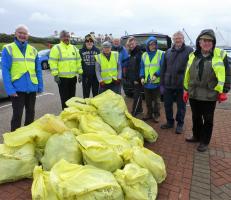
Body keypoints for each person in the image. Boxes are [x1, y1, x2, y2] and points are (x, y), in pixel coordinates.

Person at [184, 29, 229, 152]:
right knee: (196, 117)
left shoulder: (221, 55)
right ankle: (196, 136)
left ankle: (204, 141)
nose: (207, 43)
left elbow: (228, 74)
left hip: (210, 94)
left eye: (210, 41)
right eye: (204, 40)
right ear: (199, 42)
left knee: (208, 119)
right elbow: (187, 73)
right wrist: (185, 89)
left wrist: (224, 90)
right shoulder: (192, 55)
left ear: (213, 43)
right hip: (194, 93)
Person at [1, 25, 43, 131]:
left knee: (30, 114)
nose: (22, 35)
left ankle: (27, 137)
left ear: (28, 36)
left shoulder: (33, 50)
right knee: (17, 116)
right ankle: (14, 139)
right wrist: (10, 90)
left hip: (32, 88)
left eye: (25, 33)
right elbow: (5, 71)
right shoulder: (8, 48)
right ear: (15, 34)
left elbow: (38, 70)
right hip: (17, 89)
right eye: (20, 32)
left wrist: (40, 86)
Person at [160, 31, 193, 134]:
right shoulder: (168, 51)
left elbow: (191, 68)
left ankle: (180, 124)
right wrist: (162, 84)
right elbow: (163, 68)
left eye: (180, 38)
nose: (178, 40)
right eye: (176, 38)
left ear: (183, 39)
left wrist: (189, 85)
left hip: (181, 85)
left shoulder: (189, 50)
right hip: (168, 84)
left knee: (181, 106)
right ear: (173, 40)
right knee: (167, 105)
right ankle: (170, 122)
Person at [49, 30, 82, 109]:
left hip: (73, 78)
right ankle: (65, 115)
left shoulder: (74, 48)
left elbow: (78, 61)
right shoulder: (56, 48)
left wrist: (80, 73)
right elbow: (52, 62)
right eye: (64, 36)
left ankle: (71, 113)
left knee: (72, 99)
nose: (66, 38)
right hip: (62, 79)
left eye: (67, 36)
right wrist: (55, 75)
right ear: (60, 38)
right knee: (64, 99)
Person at [140, 36, 164, 123]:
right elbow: (142, 67)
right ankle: (149, 114)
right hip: (146, 83)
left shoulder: (161, 53)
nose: (153, 46)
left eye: (154, 44)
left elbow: (163, 66)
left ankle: (156, 115)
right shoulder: (144, 55)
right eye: (151, 44)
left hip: (156, 83)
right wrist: (142, 77)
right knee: (148, 101)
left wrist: (156, 74)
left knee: (157, 101)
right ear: (148, 46)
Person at [126, 36, 144, 116]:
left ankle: (134, 112)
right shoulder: (131, 53)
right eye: (130, 44)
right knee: (137, 94)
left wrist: (138, 79)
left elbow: (140, 67)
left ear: (135, 43)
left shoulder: (139, 53)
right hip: (132, 79)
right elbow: (130, 67)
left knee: (137, 95)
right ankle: (140, 110)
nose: (131, 45)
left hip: (137, 79)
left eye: (132, 44)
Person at [79, 34, 100, 98]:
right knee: (86, 93)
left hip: (95, 76)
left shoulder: (97, 50)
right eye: (87, 41)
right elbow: (79, 64)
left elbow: (100, 63)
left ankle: (95, 106)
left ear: (93, 42)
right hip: (85, 76)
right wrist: (79, 75)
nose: (89, 42)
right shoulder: (81, 51)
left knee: (96, 93)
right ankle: (86, 106)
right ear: (85, 42)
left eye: (91, 41)